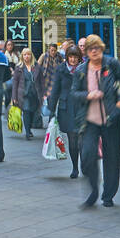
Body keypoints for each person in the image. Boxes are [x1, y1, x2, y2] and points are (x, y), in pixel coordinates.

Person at [71, 35, 120, 208]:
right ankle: (93, 191)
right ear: (86, 51)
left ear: (102, 49)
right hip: (90, 120)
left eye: (97, 48)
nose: (94, 51)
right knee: (87, 156)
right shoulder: (81, 70)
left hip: (111, 119)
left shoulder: (112, 64)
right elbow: (73, 94)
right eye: (90, 49)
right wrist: (87, 95)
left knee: (111, 157)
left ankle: (108, 195)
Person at [45, 44, 84, 177]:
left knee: (82, 138)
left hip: (82, 106)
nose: (73, 60)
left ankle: (85, 163)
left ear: (79, 58)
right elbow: (55, 89)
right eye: (70, 57)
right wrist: (51, 110)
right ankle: (75, 167)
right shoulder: (61, 69)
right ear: (67, 57)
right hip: (66, 107)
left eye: (75, 57)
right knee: (72, 139)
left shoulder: (85, 68)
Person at [11, 48, 46, 141]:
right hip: (24, 94)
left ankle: (29, 127)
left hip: (35, 94)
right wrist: (14, 97)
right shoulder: (19, 67)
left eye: (28, 54)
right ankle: (27, 132)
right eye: (25, 55)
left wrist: (44, 93)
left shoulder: (37, 66)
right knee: (26, 111)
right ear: (22, 56)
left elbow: (42, 81)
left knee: (33, 112)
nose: (27, 56)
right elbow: (15, 83)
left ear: (31, 56)